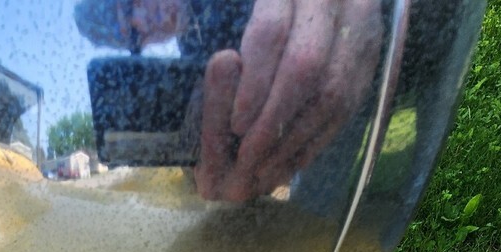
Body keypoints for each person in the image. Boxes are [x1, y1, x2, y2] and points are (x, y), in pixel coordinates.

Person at [74, 0, 382, 201]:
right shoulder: (192, 51)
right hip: (317, 129)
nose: (143, 24)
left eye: (131, 3)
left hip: (372, 63)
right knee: (315, 207)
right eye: (132, 38)